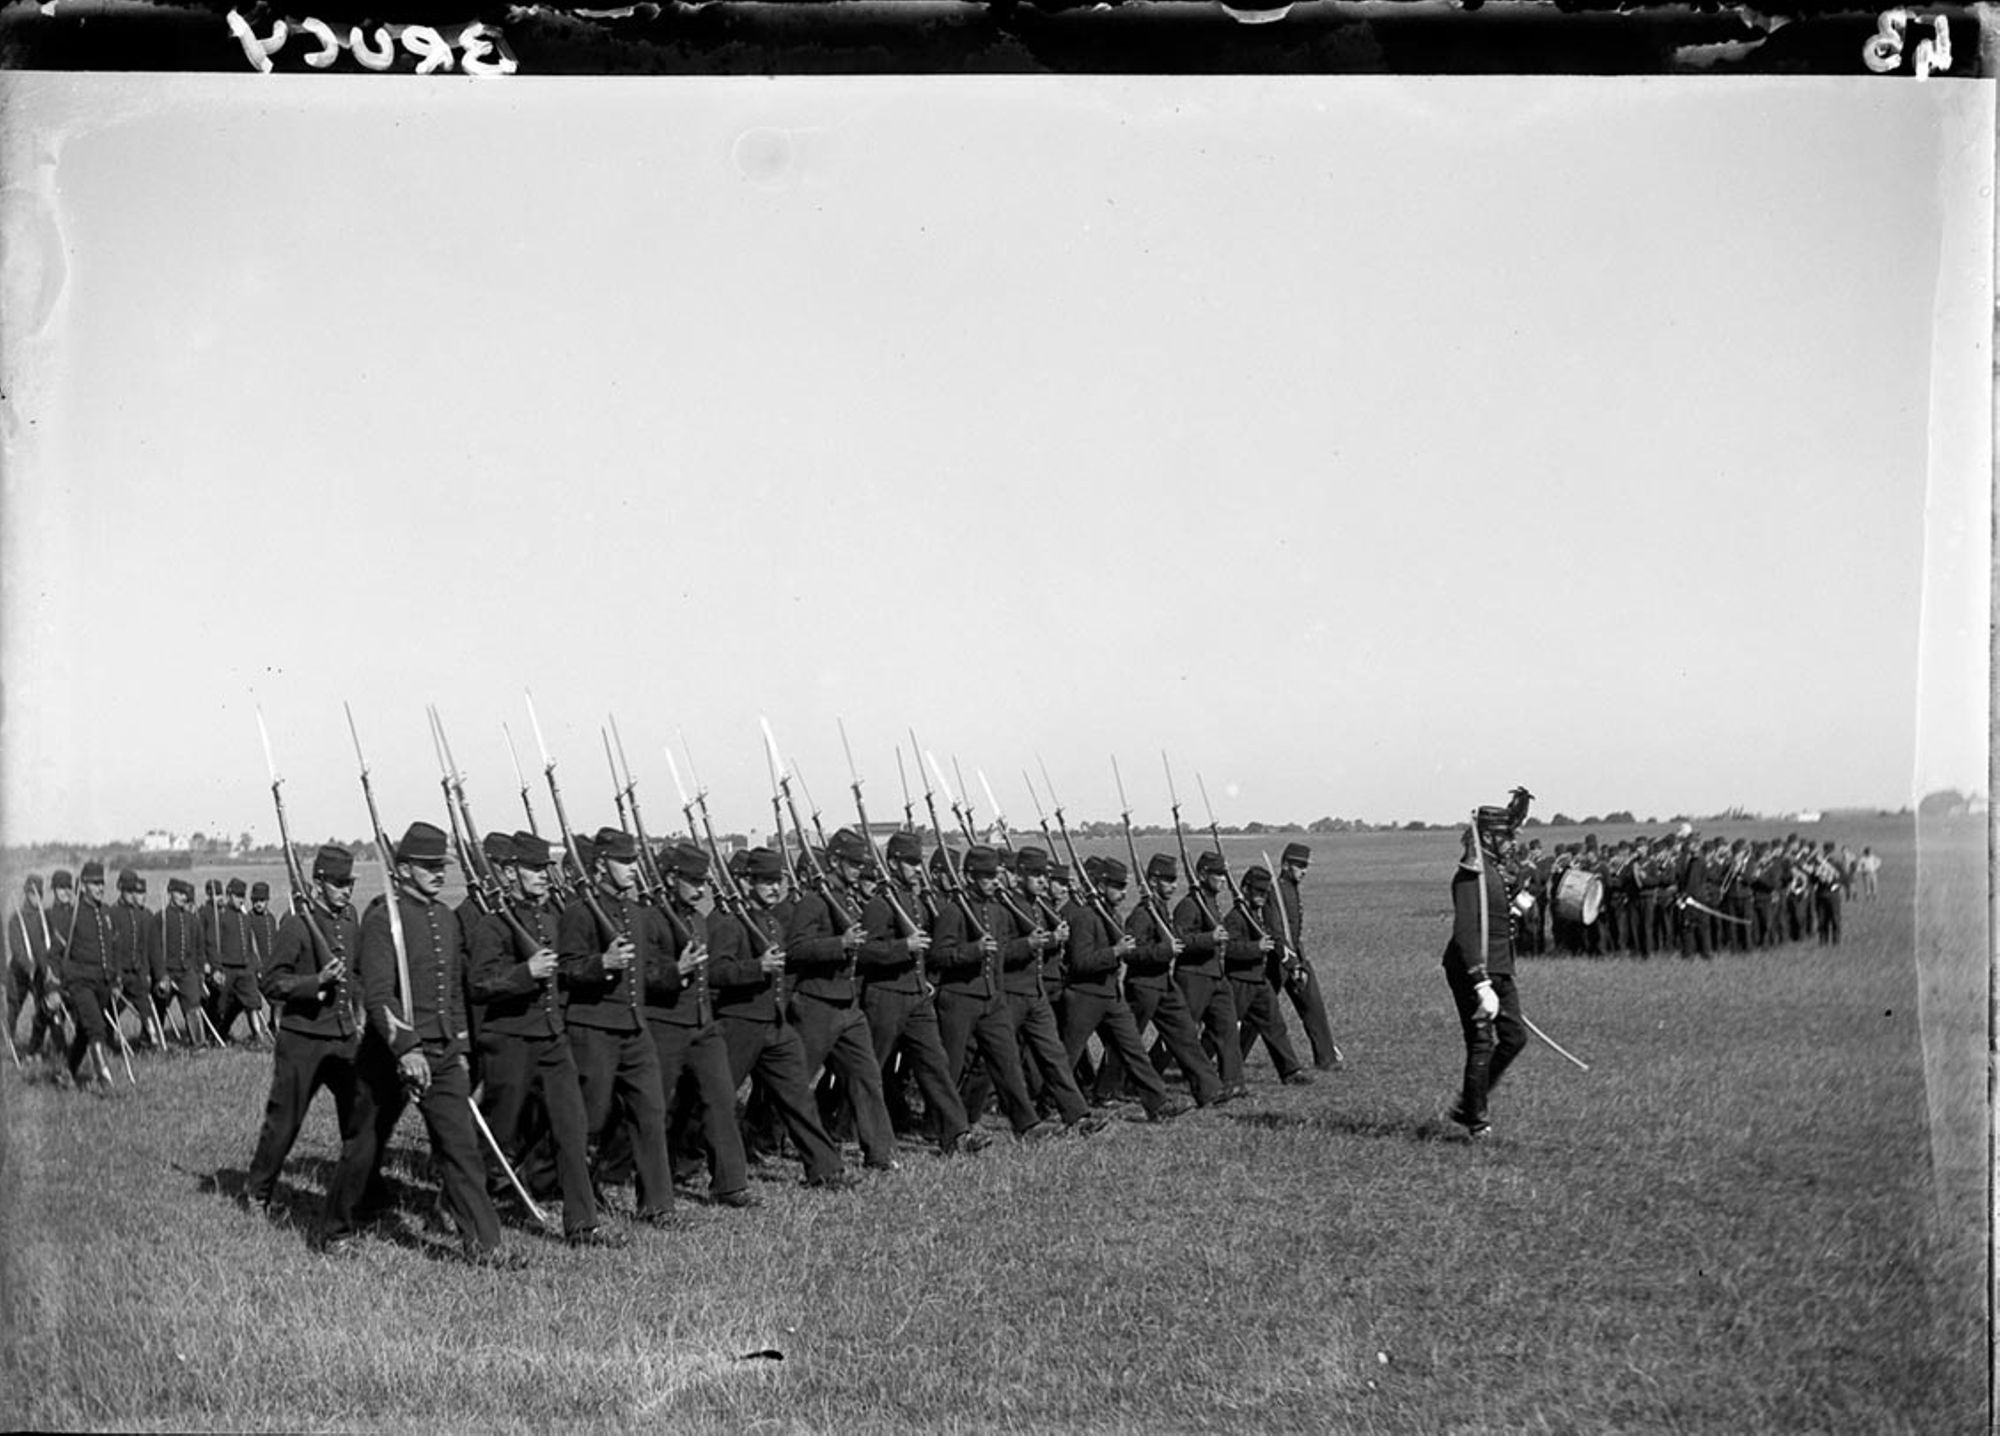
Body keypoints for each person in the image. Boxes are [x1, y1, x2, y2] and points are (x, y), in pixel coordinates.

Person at [317, 822, 523, 1266]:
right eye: (428, 866)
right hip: (387, 1056)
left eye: (440, 865)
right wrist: (406, 1048)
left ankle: (486, 1246)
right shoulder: (382, 921)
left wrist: (460, 1048)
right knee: (364, 1147)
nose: (438, 873)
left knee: (460, 1148)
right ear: (405, 868)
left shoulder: (446, 918)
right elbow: (378, 995)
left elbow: (454, 994)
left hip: (442, 1053)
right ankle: (336, 1229)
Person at [467, 832, 628, 1246]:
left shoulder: (552, 922)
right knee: (498, 1136)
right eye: (533, 869)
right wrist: (526, 974)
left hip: (553, 1039)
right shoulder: (492, 924)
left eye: (544, 868)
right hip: (510, 1041)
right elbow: (480, 984)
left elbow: (568, 972)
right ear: (510, 872)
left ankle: (582, 1225)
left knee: (572, 1129)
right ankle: (459, 1199)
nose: (542, 875)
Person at [708, 846, 856, 1188]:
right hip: (740, 1023)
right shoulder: (731, 923)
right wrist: (755, 968)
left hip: (775, 1024)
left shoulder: (773, 922)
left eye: (778, 881)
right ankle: (681, 1163)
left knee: (799, 1096)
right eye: (766, 881)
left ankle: (826, 1170)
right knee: (712, 1100)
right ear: (747, 883)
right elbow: (715, 972)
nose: (775, 888)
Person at [554, 827, 681, 1225]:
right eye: (624, 861)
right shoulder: (579, 913)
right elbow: (565, 971)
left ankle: (657, 1206)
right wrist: (601, 964)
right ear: (600, 865)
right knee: (588, 1120)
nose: (633, 868)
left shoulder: (637, 914)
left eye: (634, 860)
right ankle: (552, 1183)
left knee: (651, 1113)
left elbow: (645, 971)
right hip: (593, 1028)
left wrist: (678, 971)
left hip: (634, 1027)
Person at [244, 845, 364, 1214]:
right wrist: (316, 982)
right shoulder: (296, 925)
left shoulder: (350, 921)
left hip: (343, 1037)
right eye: (339, 884)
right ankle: (258, 1192)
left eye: (350, 883)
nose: (346, 890)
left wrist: (360, 1015)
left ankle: (364, 1196)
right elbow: (271, 982)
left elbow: (358, 974)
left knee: (359, 1120)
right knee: (284, 1123)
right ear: (319, 883)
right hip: (302, 1040)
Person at [856, 830, 988, 1156]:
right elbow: (864, 953)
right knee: (869, 1071)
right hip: (886, 996)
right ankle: (845, 1128)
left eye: (919, 862)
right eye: (911, 862)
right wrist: (904, 946)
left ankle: (956, 1134)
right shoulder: (879, 904)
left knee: (936, 1066)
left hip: (917, 996)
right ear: (893, 863)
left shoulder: (914, 901)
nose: (918, 868)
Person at [643, 840, 759, 1208]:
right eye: (693, 881)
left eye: (704, 882)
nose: (701, 889)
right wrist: (675, 970)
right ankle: (619, 1176)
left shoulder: (697, 920)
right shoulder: (649, 919)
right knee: (652, 1109)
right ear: (671, 878)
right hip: (664, 1023)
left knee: (721, 1099)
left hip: (702, 1024)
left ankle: (730, 1183)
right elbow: (641, 975)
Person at [783, 829, 903, 1171]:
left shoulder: (847, 901)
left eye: (860, 864)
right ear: (834, 861)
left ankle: (880, 1153)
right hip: (817, 1002)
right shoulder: (814, 901)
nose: (858, 869)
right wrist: (840, 944)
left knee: (867, 1076)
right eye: (852, 863)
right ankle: (760, 1135)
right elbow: (796, 949)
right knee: (793, 1081)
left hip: (848, 1004)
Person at [1056, 856, 1185, 1122]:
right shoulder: (1084, 917)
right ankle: (1046, 1105)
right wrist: (1116, 951)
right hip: (1084, 997)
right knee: (1066, 1057)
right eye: (1117, 886)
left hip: (1111, 996)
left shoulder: (1112, 915)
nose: (1123, 892)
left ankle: (1157, 1104)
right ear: (1101, 886)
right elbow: (1079, 963)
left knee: (1134, 1050)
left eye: (1124, 886)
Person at [1442, 788, 1533, 1140]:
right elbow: (1465, 932)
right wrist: (1480, 984)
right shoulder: (1471, 874)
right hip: (1472, 968)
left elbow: (1495, 917)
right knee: (1481, 1041)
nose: (1512, 843)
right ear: (1490, 838)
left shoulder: (1494, 871)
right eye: (1506, 837)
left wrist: (1517, 908)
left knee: (1514, 1037)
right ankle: (1476, 1120)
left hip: (1499, 965)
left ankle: (1469, 1103)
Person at [1228, 864, 1312, 1085]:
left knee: (1275, 1025)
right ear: (1245, 889)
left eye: (1265, 893)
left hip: (1259, 981)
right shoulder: (1235, 917)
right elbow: (1228, 949)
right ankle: (1202, 1070)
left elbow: (1276, 938)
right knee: (1222, 1031)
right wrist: (1255, 948)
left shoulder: (1259, 916)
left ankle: (1290, 1071)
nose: (1262, 897)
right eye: (1257, 891)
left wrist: (1293, 965)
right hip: (1239, 982)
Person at [1173, 850, 1246, 1099]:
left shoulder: (1211, 903)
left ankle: (1233, 1082)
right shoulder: (1189, 905)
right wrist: (1209, 938)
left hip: (1215, 975)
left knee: (1227, 1028)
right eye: (1218, 874)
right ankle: (1146, 1076)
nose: (1223, 879)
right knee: (1181, 1031)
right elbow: (1179, 941)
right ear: (1203, 875)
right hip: (1193, 976)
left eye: (1224, 874)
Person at [1272, 842, 1340, 1070]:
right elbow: (1276, 931)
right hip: (1276, 962)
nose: (1304, 871)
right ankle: (1228, 1063)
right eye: (1299, 866)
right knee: (1257, 1016)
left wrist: (1299, 960)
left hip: (1296, 958)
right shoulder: (1276, 890)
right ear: (1285, 865)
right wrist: (1291, 964)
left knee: (1314, 1008)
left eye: (1306, 866)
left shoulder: (1291, 888)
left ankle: (1327, 1059)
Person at [56, 861, 119, 1091]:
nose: (100, 888)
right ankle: (105, 1081)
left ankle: (67, 1073)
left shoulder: (106, 913)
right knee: (96, 1028)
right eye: (94, 884)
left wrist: (115, 979)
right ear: (83, 886)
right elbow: (55, 953)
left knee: (84, 1031)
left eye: (102, 883)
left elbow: (112, 949)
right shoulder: (72, 915)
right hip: (79, 982)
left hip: (102, 983)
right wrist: (55, 986)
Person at [7, 876, 55, 1064]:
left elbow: (48, 946)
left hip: (39, 974)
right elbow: (17, 947)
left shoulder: (44, 918)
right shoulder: (16, 919)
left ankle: (35, 1048)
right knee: (12, 1009)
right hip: (19, 973)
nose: (36, 898)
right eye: (32, 894)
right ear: (26, 894)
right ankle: (6, 1046)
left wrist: (44, 968)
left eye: (38, 894)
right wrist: (29, 966)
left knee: (43, 1010)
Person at [158, 877, 211, 1046]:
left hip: (187, 971)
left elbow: (198, 949)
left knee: (193, 1004)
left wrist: (199, 972)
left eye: (184, 894)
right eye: (179, 893)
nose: (183, 897)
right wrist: (161, 975)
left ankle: (198, 1042)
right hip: (167, 971)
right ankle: (151, 1041)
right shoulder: (161, 918)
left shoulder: (192, 920)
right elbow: (155, 950)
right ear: (170, 893)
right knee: (159, 1005)